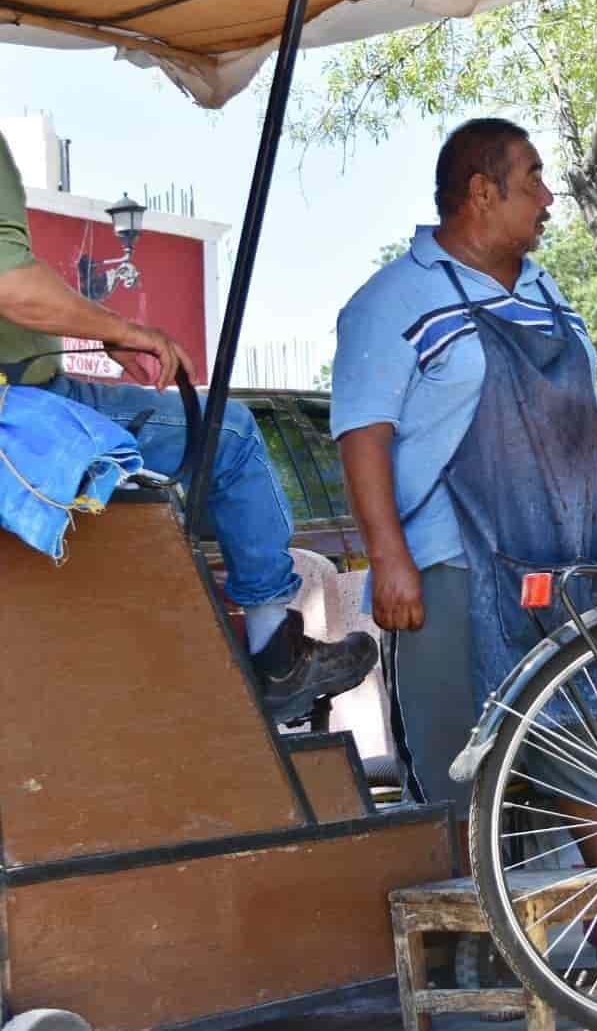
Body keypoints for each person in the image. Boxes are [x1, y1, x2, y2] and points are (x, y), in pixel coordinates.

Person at [332, 118, 597, 826]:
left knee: (594, 774)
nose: (548, 198)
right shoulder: (391, 301)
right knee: (458, 788)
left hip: (563, 579)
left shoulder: (551, 296)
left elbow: (594, 424)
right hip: (450, 575)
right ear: (482, 192)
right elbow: (362, 436)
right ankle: (469, 940)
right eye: (534, 180)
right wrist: (390, 560)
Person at [0, 131, 375, 721]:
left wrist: (102, 325)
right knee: (229, 432)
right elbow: (12, 284)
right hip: (20, 401)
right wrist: (125, 330)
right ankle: (277, 653)